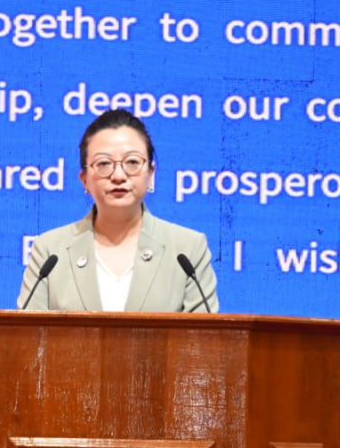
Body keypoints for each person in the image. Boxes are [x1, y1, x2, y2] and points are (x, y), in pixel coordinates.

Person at [18, 109, 218, 312]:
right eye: (104, 164)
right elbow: (26, 330)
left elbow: (205, 331)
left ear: (150, 174)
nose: (119, 176)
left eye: (132, 162)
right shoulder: (50, 251)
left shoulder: (188, 249)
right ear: (84, 179)